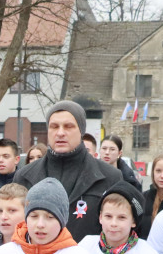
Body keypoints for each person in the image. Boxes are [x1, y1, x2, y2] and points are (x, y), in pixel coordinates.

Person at [14, 101, 122, 242]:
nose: (60, 133)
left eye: (68, 126)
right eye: (54, 127)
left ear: (81, 131)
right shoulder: (24, 176)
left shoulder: (109, 177)